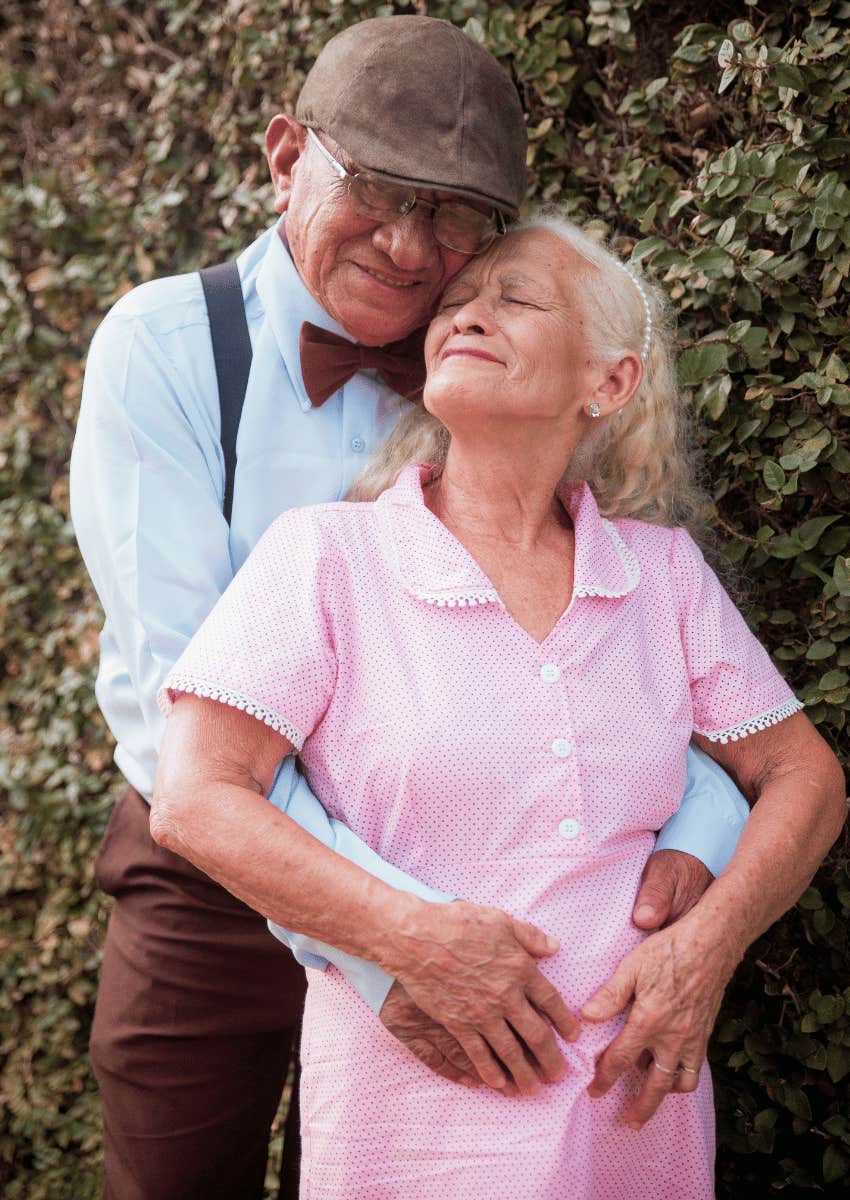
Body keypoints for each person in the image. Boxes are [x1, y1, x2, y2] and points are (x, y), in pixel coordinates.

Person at [71, 15, 753, 1199]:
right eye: (376, 192)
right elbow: (178, 718)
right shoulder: (166, 347)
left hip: (484, 892)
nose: (406, 245)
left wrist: (698, 835)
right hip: (220, 886)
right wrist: (388, 939)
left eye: (450, 215)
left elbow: (606, 643)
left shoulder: (494, 373)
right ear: (287, 156)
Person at [151, 214, 845, 1198]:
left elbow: (804, 775)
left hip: (635, 1109)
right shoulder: (326, 555)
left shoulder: (662, 575)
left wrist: (708, 946)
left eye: (515, 297)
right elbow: (194, 797)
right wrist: (408, 942)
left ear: (607, 383)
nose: (471, 311)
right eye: (459, 300)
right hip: (413, 1115)